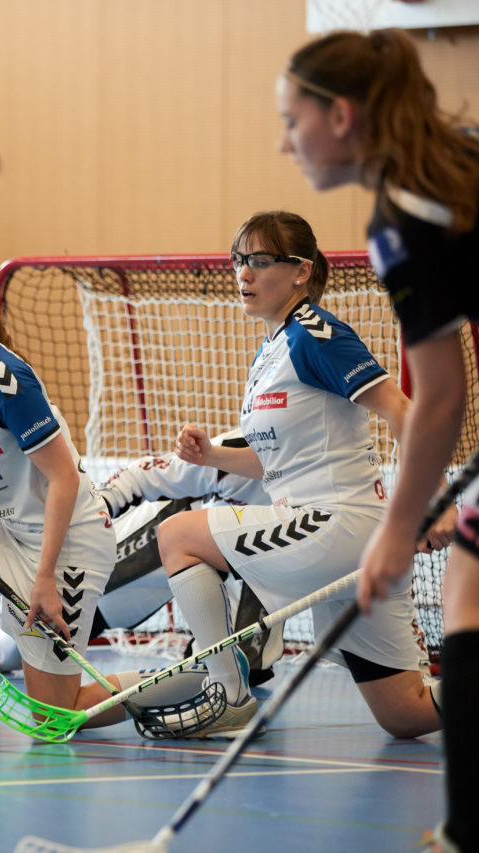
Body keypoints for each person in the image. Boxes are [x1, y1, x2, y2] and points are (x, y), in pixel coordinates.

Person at [280, 29, 479, 852]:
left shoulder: (402, 212)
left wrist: (396, 530)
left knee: (474, 598)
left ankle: (467, 838)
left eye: (293, 121)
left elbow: (436, 401)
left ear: (343, 115)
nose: (284, 141)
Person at [0, 246, 211, 732]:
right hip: (3, 529)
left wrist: (44, 578)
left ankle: (200, 678)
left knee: (55, 718)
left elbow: (63, 478)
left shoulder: (3, 380)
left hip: (66, 544)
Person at [149, 210, 459, 743]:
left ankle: (228, 696)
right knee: (407, 714)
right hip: (346, 536)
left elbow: (403, 411)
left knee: (178, 535)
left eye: (261, 261)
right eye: (239, 260)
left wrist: (434, 500)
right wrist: (212, 459)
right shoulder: (272, 348)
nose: (244, 273)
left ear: (301, 271)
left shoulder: (315, 334)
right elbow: (278, 462)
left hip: (336, 524)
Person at [0, 430, 286, 686]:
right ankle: (2, 646)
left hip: (257, 572)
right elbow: (141, 477)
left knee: (239, 669)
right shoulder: (235, 450)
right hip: (180, 545)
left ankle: (204, 667)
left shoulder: (322, 482)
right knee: (89, 584)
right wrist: (94, 508)